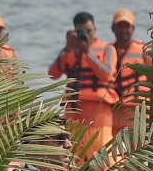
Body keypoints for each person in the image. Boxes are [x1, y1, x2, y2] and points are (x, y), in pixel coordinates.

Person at [48, 12, 119, 160]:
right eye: (80, 31)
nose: (85, 34)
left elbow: (107, 75)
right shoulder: (69, 51)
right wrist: (67, 48)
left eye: (88, 31)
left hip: (98, 108)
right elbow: (52, 74)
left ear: (95, 28)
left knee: (102, 155)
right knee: (74, 155)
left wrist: (87, 52)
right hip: (74, 109)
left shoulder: (107, 48)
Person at [110, 9, 153, 135]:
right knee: (115, 154)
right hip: (115, 116)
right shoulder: (107, 52)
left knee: (141, 151)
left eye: (127, 26)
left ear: (133, 28)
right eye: (119, 26)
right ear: (112, 28)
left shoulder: (145, 51)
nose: (123, 30)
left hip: (139, 114)